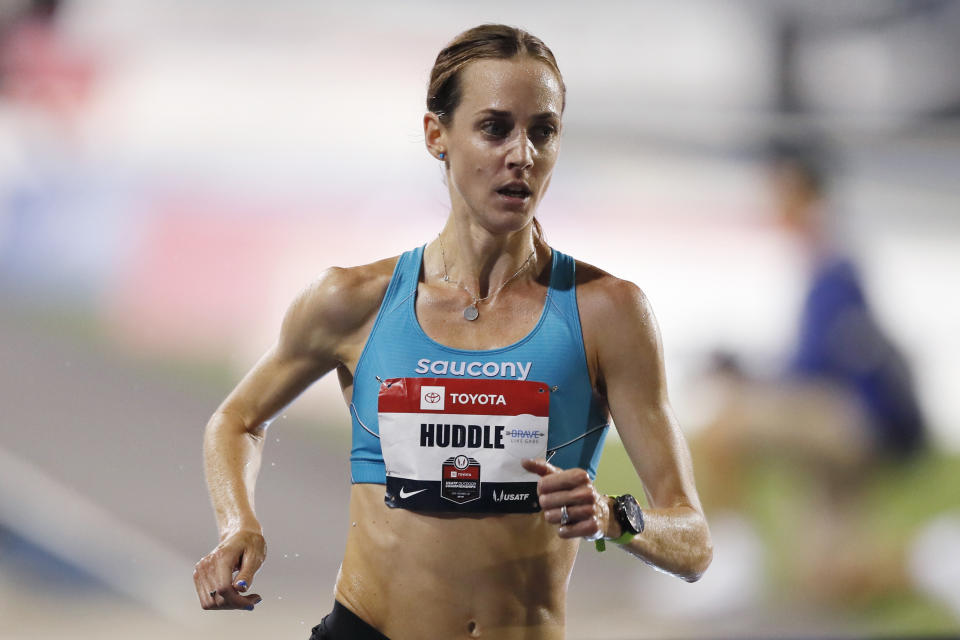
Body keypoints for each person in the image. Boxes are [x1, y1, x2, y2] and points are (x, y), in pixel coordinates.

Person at [192, 24, 712, 639]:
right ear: (437, 134)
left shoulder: (608, 313)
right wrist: (238, 524)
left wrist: (614, 517)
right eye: (495, 127)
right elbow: (237, 420)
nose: (522, 154)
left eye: (542, 131)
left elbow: (693, 541)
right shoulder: (353, 302)